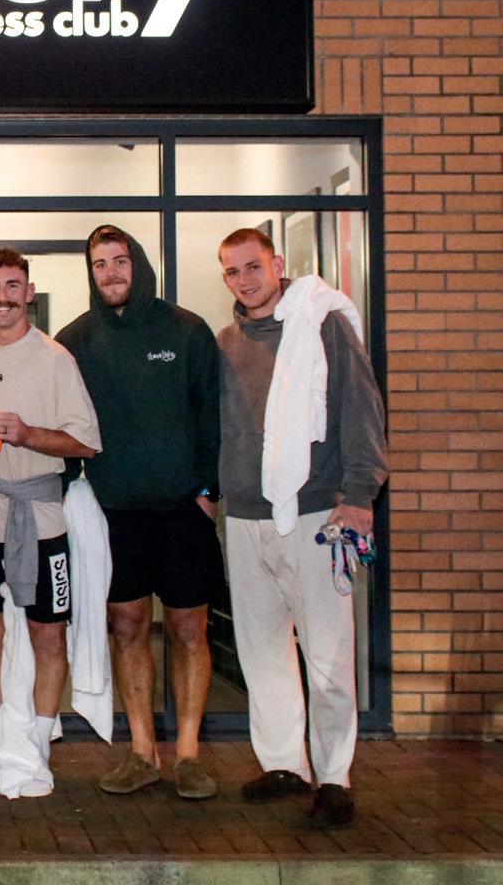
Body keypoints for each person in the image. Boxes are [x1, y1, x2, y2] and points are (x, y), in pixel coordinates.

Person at [216, 228, 386, 829]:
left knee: (329, 653)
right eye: (232, 271)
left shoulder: (323, 325)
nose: (244, 280)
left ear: (277, 264)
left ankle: (335, 775)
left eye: (253, 267)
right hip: (244, 516)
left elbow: (362, 410)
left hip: (316, 513)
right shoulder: (226, 342)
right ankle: (285, 764)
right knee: (262, 652)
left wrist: (360, 495)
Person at [55, 225, 223, 801]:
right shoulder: (75, 340)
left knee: (187, 629)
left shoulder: (186, 330)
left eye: (119, 260)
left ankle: (189, 756)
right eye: (99, 263)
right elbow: (64, 422)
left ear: (139, 264)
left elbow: (213, 416)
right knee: (126, 628)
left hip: (183, 511)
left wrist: (208, 493)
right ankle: (142, 752)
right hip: (115, 514)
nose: (111, 272)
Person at [0, 248, 101, 764]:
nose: (3, 297)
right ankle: (3, 734)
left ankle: (39, 740)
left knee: (48, 631)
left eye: (12, 286)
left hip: (41, 517)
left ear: (29, 292)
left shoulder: (56, 357)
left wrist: (27, 434)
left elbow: (86, 442)